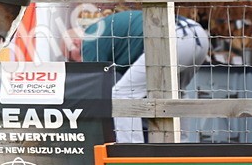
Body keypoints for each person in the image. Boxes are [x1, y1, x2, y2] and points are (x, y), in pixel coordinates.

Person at [63, 9, 210, 143]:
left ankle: (131, 152)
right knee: (176, 93)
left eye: (71, 56)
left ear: (75, 43)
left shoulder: (88, 41)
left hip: (171, 39)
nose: (76, 61)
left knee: (123, 94)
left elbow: (94, 86)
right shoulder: (103, 30)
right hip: (197, 34)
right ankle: (181, 146)